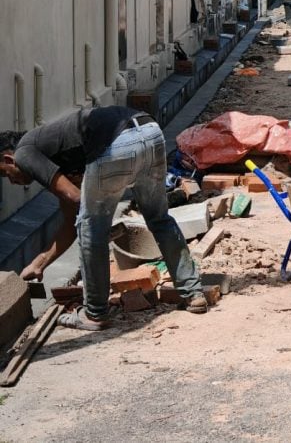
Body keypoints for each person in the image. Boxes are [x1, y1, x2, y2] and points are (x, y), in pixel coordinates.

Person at [0, 106, 207, 330]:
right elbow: (70, 217)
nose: (10, 181)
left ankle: (95, 314)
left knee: (91, 230)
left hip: (117, 140)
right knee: (159, 219)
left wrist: (99, 225)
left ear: (9, 159)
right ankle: (193, 293)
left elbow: (76, 199)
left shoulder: (24, 153)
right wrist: (39, 264)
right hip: (149, 130)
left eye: (4, 173)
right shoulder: (58, 151)